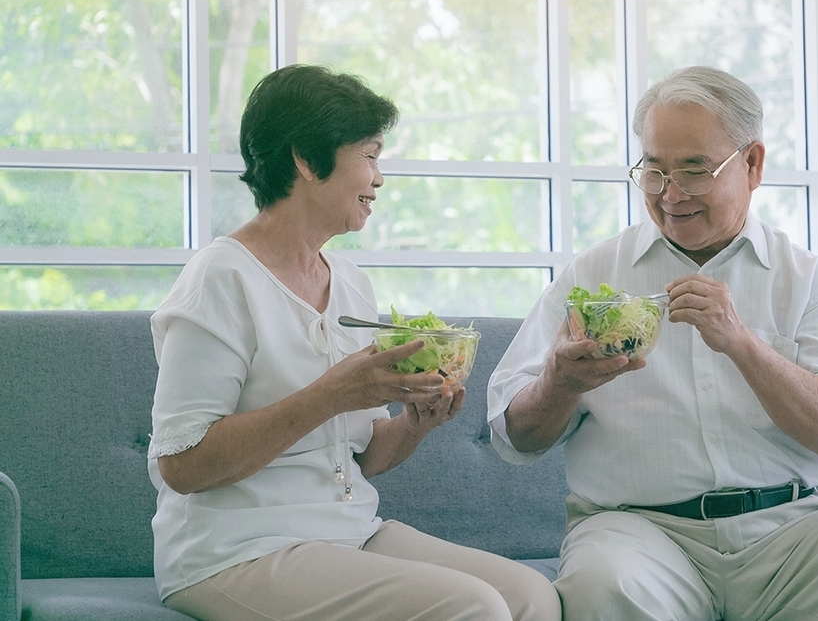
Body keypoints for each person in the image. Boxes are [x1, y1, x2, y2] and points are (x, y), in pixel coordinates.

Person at [487, 66, 818, 620]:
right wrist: (559, 384)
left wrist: (741, 343)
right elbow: (515, 439)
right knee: (602, 586)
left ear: (752, 164)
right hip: (641, 531)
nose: (670, 195)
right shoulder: (590, 278)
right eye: (653, 171)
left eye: (694, 170)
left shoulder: (805, 280)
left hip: (797, 530)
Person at [147, 64, 561, 621]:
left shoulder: (350, 283)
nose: (379, 178)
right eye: (369, 156)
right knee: (473, 607)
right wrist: (332, 394)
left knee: (531, 595)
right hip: (234, 551)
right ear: (305, 159)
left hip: (348, 532)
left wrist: (416, 422)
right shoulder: (221, 277)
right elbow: (183, 465)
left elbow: (361, 459)